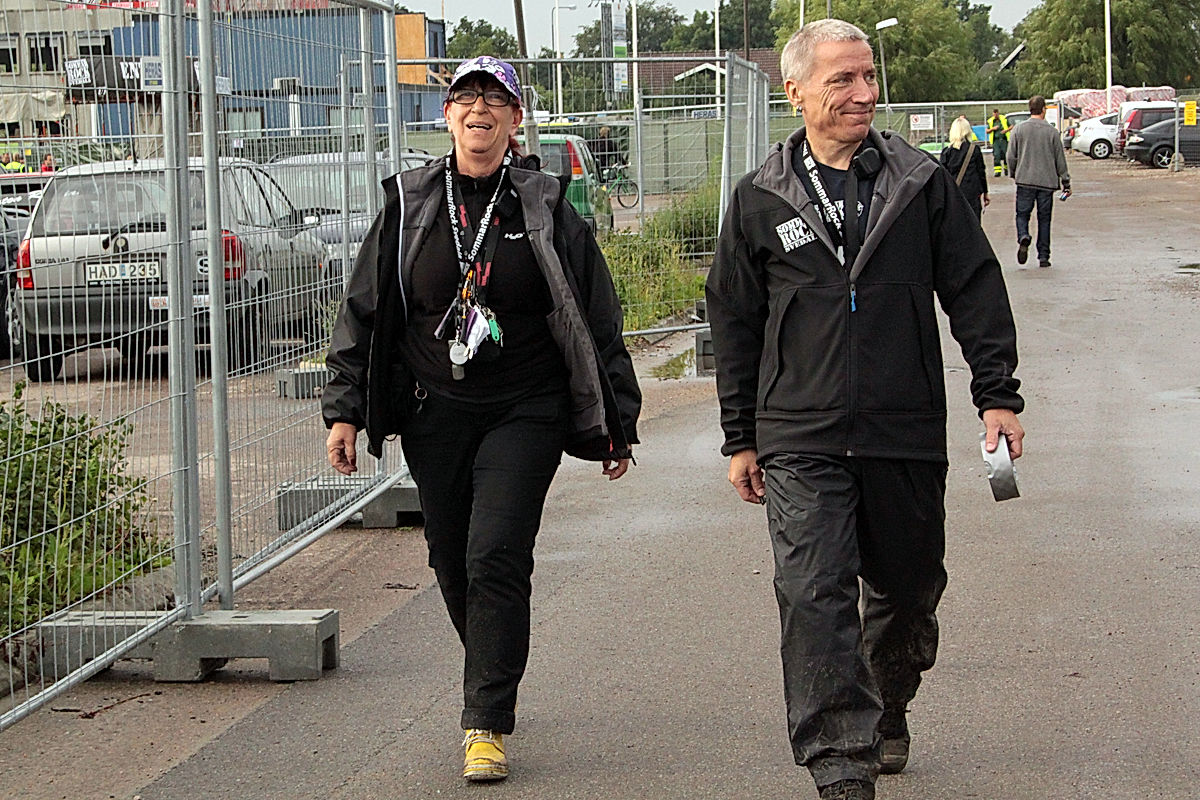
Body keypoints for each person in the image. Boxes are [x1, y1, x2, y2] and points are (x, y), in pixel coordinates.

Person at [705, 19, 1025, 800]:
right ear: (799, 93)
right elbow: (734, 320)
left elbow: (975, 289)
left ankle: (887, 705)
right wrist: (740, 437)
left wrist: (997, 395)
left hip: (902, 425)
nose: (864, 93)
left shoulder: (921, 184)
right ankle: (840, 763)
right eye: (844, 79)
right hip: (799, 432)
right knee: (813, 592)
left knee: (909, 588)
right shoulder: (759, 198)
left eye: (868, 76)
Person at [322, 55, 641, 783]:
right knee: (452, 559)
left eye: (494, 100)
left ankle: (485, 720)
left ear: (515, 120)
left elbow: (596, 313)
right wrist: (343, 409)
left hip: (525, 407)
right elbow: (364, 310)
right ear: (447, 117)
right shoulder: (409, 204)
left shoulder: (545, 203)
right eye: (465, 98)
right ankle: (492, 663)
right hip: (435, 411)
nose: (478, 110)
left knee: (496, 551)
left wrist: (617, 416)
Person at [1008, 95, 1071, 268]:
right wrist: (1066, 182)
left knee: (1022, 214)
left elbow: (1010, 155)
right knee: (1044, 219)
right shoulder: (1051, 132)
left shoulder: (1019, 130)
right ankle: (1043, 256)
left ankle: (1023, 236)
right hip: (1046, 182)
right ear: (1043, 110)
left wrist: (1014, 173)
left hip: (1025, 181)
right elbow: (1060, 159)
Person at [939, 115, 989, 219]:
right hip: (972, 193)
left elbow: (941, 177)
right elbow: (981, 173)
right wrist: (985, 192)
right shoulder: (974, 150)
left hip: (953, 194)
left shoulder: (946, 152)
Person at [986, 108, 1011, 177]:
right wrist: (993, 129)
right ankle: (997, 171)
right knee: (997, 155)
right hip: (996, 141)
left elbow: (1011, 126)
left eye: (996, 114)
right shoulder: (991, 121)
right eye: (994, 114)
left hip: (1004, 140)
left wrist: (1006, 130)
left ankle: (1006, 169)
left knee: (1006, 155)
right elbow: (987, 131)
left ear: (998, 113)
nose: (995, 115)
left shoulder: (1004, 119)